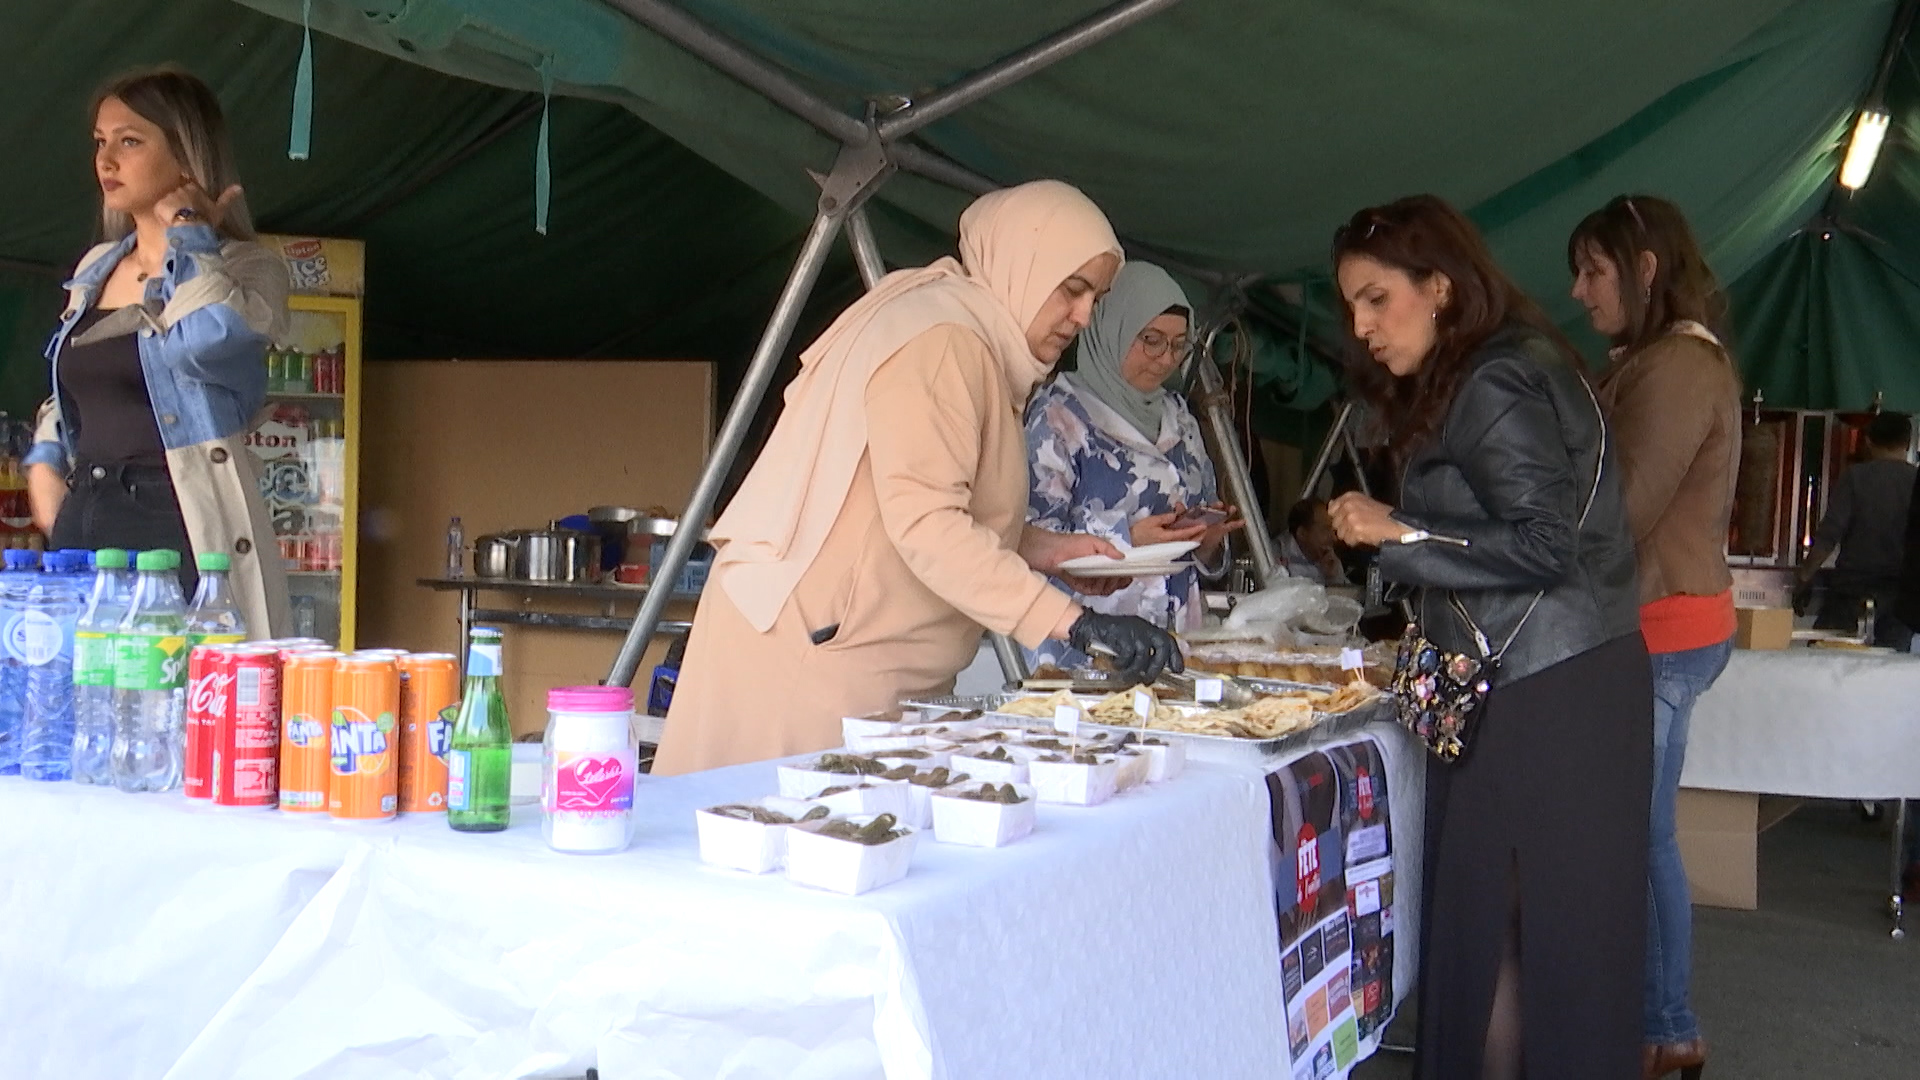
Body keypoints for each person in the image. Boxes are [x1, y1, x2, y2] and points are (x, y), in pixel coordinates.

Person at [654, 181, 1183, 776]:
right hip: (812, 655)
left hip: (842, 644)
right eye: (1073, 289)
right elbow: (928, 527)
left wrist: (1052, 552)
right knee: (785, 839)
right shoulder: (945, 342)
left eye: (1097, 298)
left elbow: (932, 501)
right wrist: (1074, 624)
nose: (1083, 316)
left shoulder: (972, 337)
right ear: (1022, 266)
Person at [1325, 195, 1647, 1080]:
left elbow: (1545, 543)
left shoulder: (1495, 377)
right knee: (1528, 935)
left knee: (1522, 934)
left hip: (1545, 692)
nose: (1361, 326)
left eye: (1376, 299)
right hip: (1554, 678)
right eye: (1352, 306)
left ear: (1438, 287)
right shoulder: (1500, 366)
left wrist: (1398, 531)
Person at [1570, 194, 1742, 1080]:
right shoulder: (1661, 360)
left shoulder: (1676, 368)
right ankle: (1658, 1016)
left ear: (1645, 269)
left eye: (1594, 270)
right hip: (1664, 623)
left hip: (1663, 629)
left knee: (1641, 838)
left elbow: (1624, 511)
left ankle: (1666, 1025)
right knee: (1643, 834)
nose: (1577, 290)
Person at [24, 67, 289, 633]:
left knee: (172, 702)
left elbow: (208, 347)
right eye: (100, 142)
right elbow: (69, 383)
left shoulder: (248, 267)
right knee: (75, 702)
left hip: (178, 516)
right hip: (87, 509)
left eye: (130, 140)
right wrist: (45, 465)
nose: (106, 161)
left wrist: (191, 238)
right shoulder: (96, 267)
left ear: (188, 155)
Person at [1023, 261, 1242, 668]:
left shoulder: (1179, 416)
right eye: (1151, 340)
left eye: (1178, 346)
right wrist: (1127, 538)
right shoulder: (1059, 416)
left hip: (1175, 633)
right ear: (1111, 329)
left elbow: (1201, 521)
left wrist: (1204, 539)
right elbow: (1029, 540)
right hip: (1087, 643)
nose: (1165, 359)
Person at [1798, 412, 1916, 649]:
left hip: (1851, 594)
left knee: (1823, 662)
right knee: (1889, 676)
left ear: (1868, 441)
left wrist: (1804, 576)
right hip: (1902, 599)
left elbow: (1829, 535)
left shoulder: (1856, 478)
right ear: (1908, 443)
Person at [1278, 497, 1348, 585]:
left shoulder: (1331, 560)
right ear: (1302, 533)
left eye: (1333, 530)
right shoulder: (1274, 556)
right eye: (1325, 530)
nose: (1334, 538)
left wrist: (1332, 578)